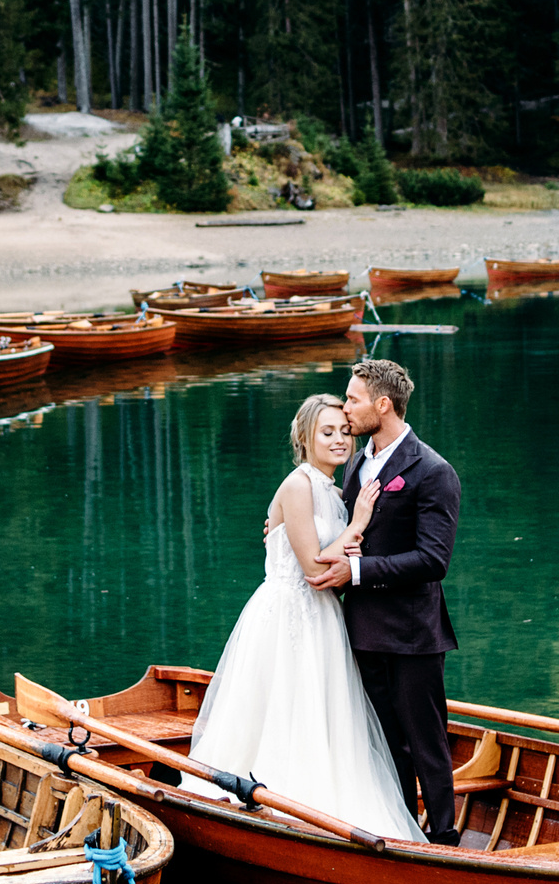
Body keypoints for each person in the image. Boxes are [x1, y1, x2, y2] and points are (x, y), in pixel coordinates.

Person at [183, 394, 423, 840]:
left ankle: (328, 804)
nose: (339, 440)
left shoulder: (335, 490)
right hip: (286, 616)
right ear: (305, 438)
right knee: (284, 705)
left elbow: (335, 562)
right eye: (327, 432)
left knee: (324, 712)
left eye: (344, 431)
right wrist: (358, 524)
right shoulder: (297, 486)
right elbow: (314, 568)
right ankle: (271, 804)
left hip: (325, 619)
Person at [312, 356, 462, 845]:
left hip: (413, 634)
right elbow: (343, 527)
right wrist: (288, 527)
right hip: (361, 629)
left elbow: (432, 560)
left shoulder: (434, 471)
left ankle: (444, 836)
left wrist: (356, 572)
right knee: (385, 741)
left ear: (382, 405)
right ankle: (402, 828)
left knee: (426, 741)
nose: (345, 408)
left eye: (352, 399)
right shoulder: (357, 462)